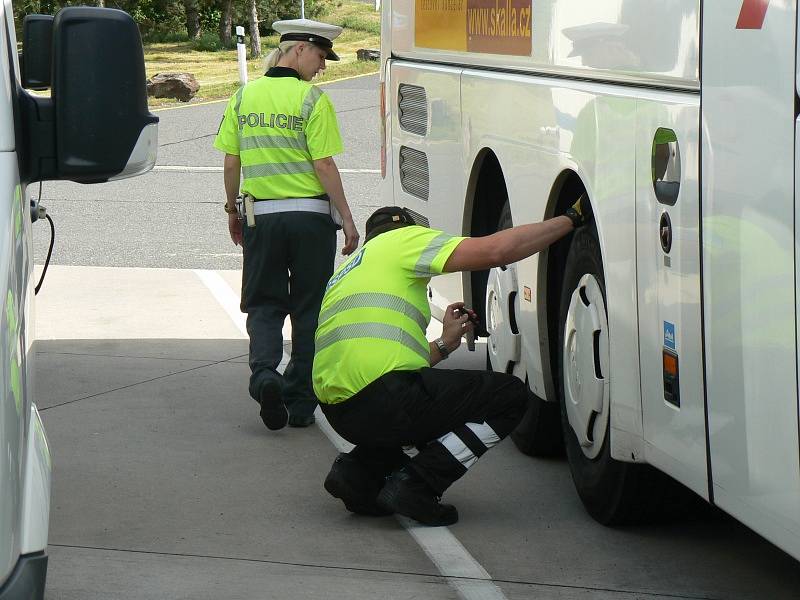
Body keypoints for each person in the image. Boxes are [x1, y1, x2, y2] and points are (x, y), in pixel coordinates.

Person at [313, 200, 590, 525]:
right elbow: (497, 251)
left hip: (340, 409)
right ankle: (417, 485)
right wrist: (571, 219)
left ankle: (356, 473)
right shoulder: (404, 241)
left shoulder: (347, 272)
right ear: (409, 232)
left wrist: (445, 344)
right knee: (508, 397)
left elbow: (388, 361)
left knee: (418, 407)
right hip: (383, 399)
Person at [214, 18, 359, 431]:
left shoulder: (243, 98)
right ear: (298, 50)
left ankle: (264, 378)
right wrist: (347, 218)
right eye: (320, 56)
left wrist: (232, 212)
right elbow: (324, 164)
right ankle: (299, 402)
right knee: (310, 308)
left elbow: (231, 160)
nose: (323, 67)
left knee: (264, 303)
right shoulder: (313, 100)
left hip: (263, 218)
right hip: (311, 222)